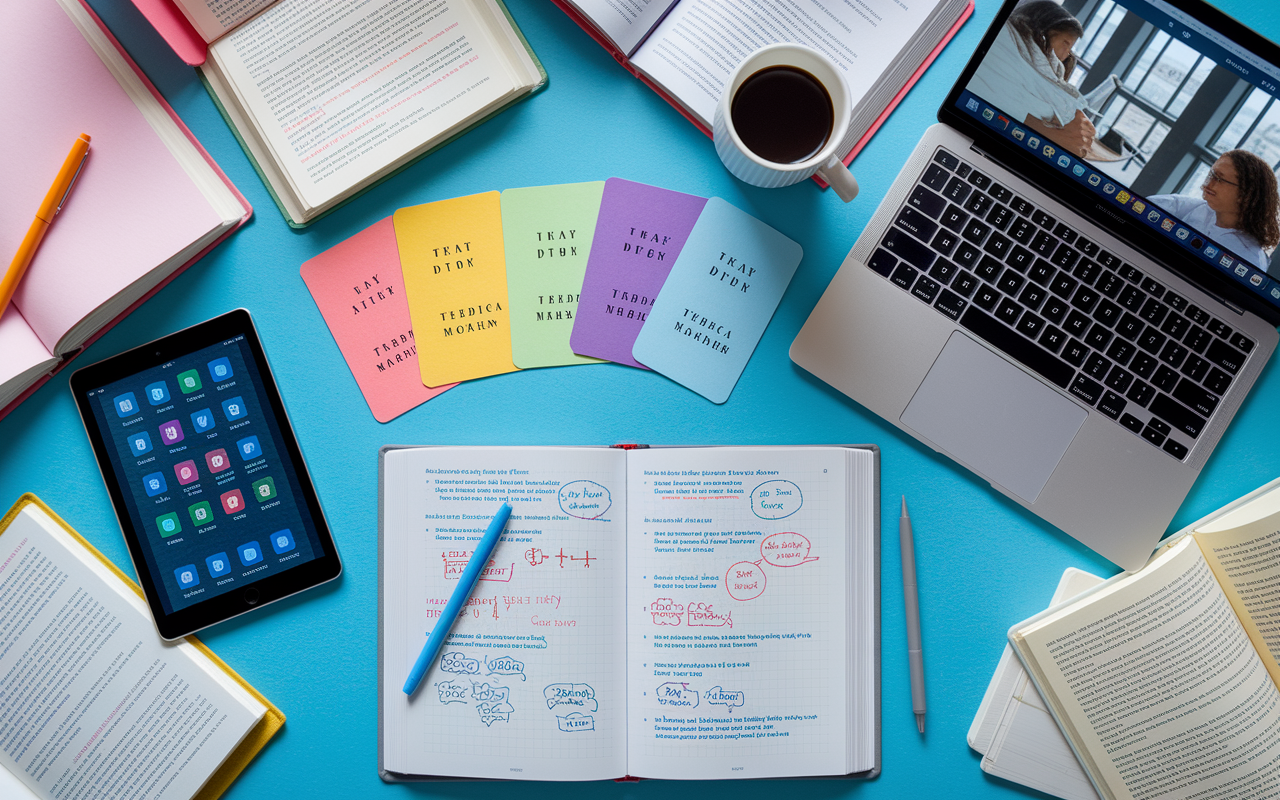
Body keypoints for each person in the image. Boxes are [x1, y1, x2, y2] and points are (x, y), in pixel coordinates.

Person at [968, 0, 1096, 157]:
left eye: (1070, 48)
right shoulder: (1009, 39)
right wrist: (1057, 131)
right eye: (1065, 43)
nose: (1067, 53)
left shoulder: (1048, 66)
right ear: (1044, 29)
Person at [1150, 150, 1279, 270]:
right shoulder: (1190, 208)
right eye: (1211, 174)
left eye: (1219, 179)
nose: (1207, 184)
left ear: (1246, 194)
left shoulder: (1251, 260)